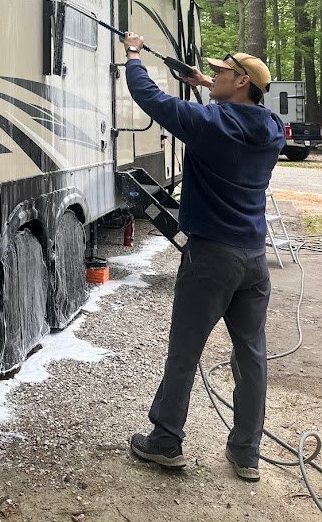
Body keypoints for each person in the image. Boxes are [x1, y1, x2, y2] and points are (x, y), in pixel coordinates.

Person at [122, 33, 285, 482]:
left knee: (185, 351)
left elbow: (149, 97)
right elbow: (233, 120)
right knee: (251, 355)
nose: (211, 74)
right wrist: (200, 83)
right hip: (253, 257)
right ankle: (246, 453)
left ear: (240, 81)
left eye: (220, 72)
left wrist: (133, 54)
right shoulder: (271, 128)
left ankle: (166, 442)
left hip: (211, 257)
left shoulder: (211, 124)